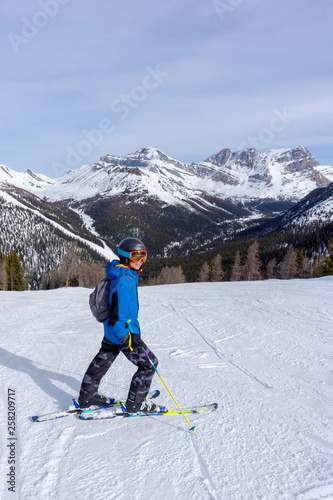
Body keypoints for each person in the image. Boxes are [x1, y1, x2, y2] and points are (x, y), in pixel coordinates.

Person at [78, 237, 163, 413]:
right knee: (149, 364)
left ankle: (87, 396)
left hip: (111, 331)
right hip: (122, 332)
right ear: (126, 256)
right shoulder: (124, 279)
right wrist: (127, 336)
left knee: (102, 360)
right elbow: (118, 314)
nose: (141, 261)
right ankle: (135, 405)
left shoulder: (124, 273)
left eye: (143, 256)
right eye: (136, 256)